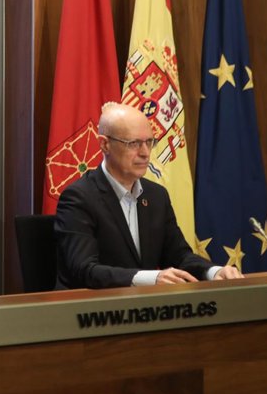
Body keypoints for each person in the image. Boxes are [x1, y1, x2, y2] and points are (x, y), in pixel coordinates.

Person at [55, 102, 244, 290]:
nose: (145, 153)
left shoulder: (156, 196)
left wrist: (214, 272)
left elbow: (179, 256)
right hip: (93, 305)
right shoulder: (79, 198)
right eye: (134, 143)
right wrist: (152, 278)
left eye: (149, 142)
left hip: (143, 305)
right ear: (105, 144)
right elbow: (84, 270)